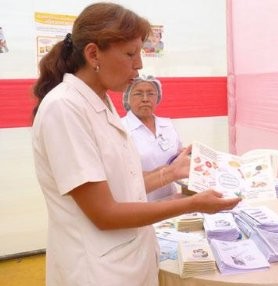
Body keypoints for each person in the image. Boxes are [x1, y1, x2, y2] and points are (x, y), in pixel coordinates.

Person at [31, 3, 241, 286]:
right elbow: (104, 213)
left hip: (129, 259)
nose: (140, 64)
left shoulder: (101, 102)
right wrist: (190, 204)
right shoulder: (64, 108)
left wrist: (171, 173)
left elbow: (123, 183)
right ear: (93, 54)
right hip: (96, 271)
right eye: (131, 54)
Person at [121, 75, 182, 201]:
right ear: (128, 98)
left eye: (150, 94)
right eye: (138, 94)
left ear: (158, 97)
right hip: (139, 205)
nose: (145, 99)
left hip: (171, 200)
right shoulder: (121, 129)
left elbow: (178, 158)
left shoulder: (167, 125)